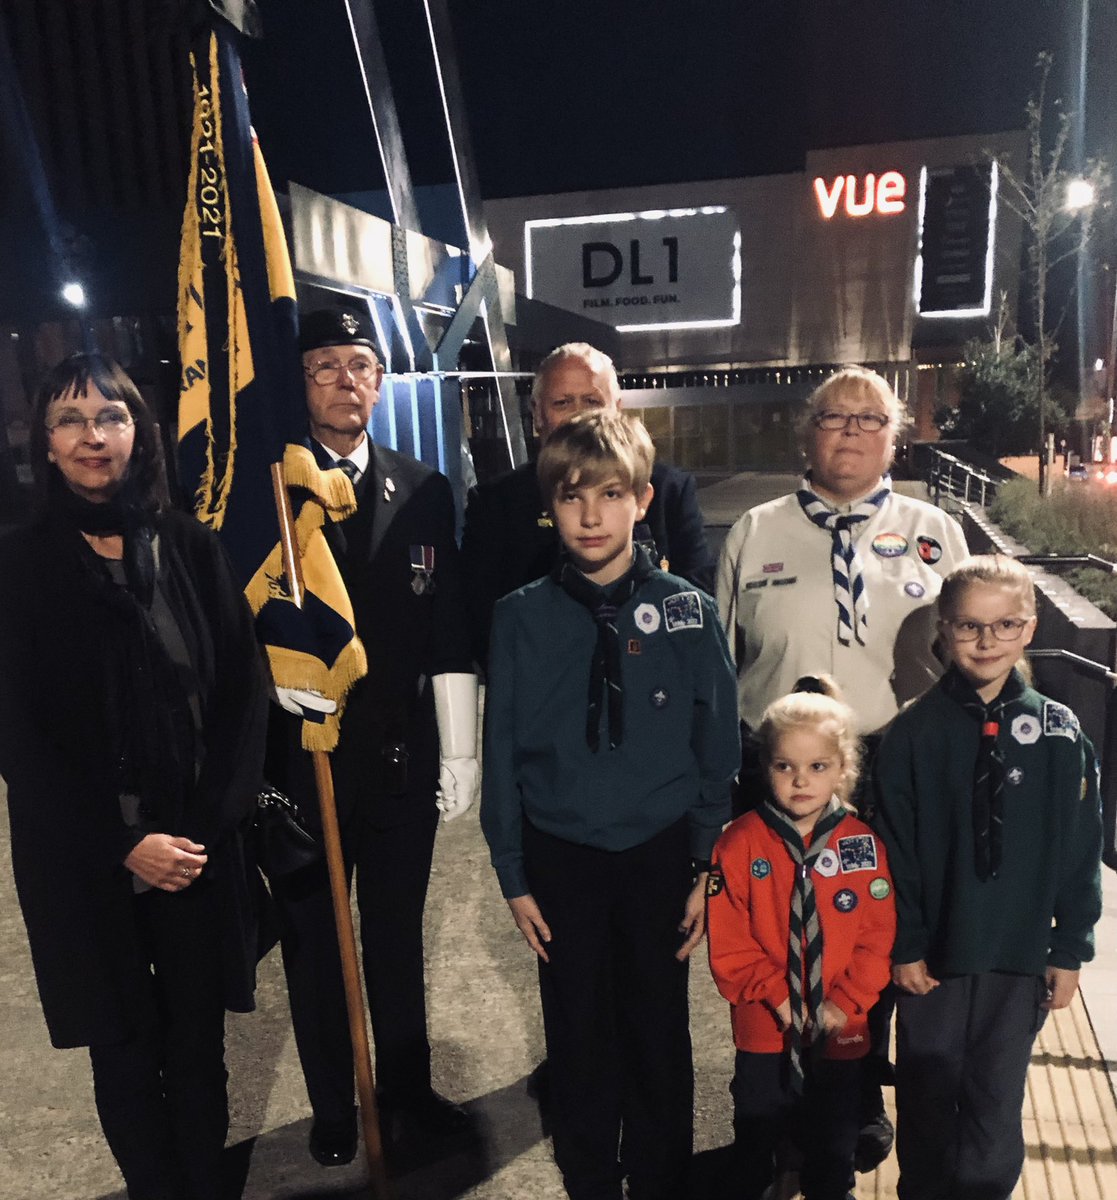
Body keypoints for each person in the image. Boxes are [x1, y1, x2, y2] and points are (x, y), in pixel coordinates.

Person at [0, 353, 268, 1200]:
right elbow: (20, 738)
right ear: (44, 443)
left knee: (197, 1048)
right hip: (86, 858)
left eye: (110, 417)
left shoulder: (190, 546)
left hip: (194, 848)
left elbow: (240, 696)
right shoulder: (16, 564)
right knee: (123, 1049)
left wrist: (201, 833)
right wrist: (124, 844)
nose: (92, 436)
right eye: (71, 420)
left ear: (137, 434)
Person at [480, 410, 739, 1200]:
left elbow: (716, 744)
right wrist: (513, 872)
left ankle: (660, 1175)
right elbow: (503, 752)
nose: (589, 515)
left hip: (660, 850)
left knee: (658, 1023)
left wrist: (704, 862)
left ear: (643, 499)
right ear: (546, 507)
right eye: (568, 498)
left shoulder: (688, 610)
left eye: (609, 493)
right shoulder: (519, 614)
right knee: (577, 1027)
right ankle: (589, 1172)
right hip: (561, 853)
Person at [716, 365, 967, 1164]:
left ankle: (856, 1089)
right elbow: (719, 665)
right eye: (833, 418)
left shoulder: (935, 529)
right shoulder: (753, 530)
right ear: (806, 432)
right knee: (771, 929)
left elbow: (969, 661)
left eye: (869, 420)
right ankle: (765, 1092)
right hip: (778, 765)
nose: (851, 432)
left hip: (890, 765)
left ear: (894, 435)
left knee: (872, 931)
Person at [266, 306, 480, 1166]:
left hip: (396, 756)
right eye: (325, 366)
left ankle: (406, 1090)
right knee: (318, 943)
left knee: (394, 936)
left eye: (360, 365)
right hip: (304, 758)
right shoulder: (268, 493)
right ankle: (334, 1102)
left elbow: (450, 627)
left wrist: (459, 747)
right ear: (301, 382)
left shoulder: (421, 488)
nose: (346, 381)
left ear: (381, 383)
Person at [873, 554, 1103, 1200]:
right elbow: (894, 850)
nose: (985, 641)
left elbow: (1077, 850)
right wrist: (906, 943)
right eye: (968, 626)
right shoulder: (912, 734)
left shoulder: (1060, 734)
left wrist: (1068, 948)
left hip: (1017, 957)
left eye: (1004, 625)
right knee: (924, 1093)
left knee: (995, 1100)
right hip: (935, 958)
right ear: (943, 631)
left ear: (1028, 628)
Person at [706, 677, 895, 1200]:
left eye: (817, 767)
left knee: (835, 1124)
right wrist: (777, 995)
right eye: (784, 765)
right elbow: (729, 939)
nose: (800, 781)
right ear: (765, 767)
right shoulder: (739, 842)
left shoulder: (861, 845)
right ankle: (755, 1180)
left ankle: (831, 1188)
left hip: (842, 1019)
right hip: (764, 1017)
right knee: (757, 1113)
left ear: (843, 770)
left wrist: (846, 1001)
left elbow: (877, 937)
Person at [461, 341, 715, 668]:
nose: (579, 414)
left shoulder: (667, 491)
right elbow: (483, 624)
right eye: (563, 402)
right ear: (537, 414)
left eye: (592, 401)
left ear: (617, 408)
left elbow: (694, 606)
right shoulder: (497, 503)